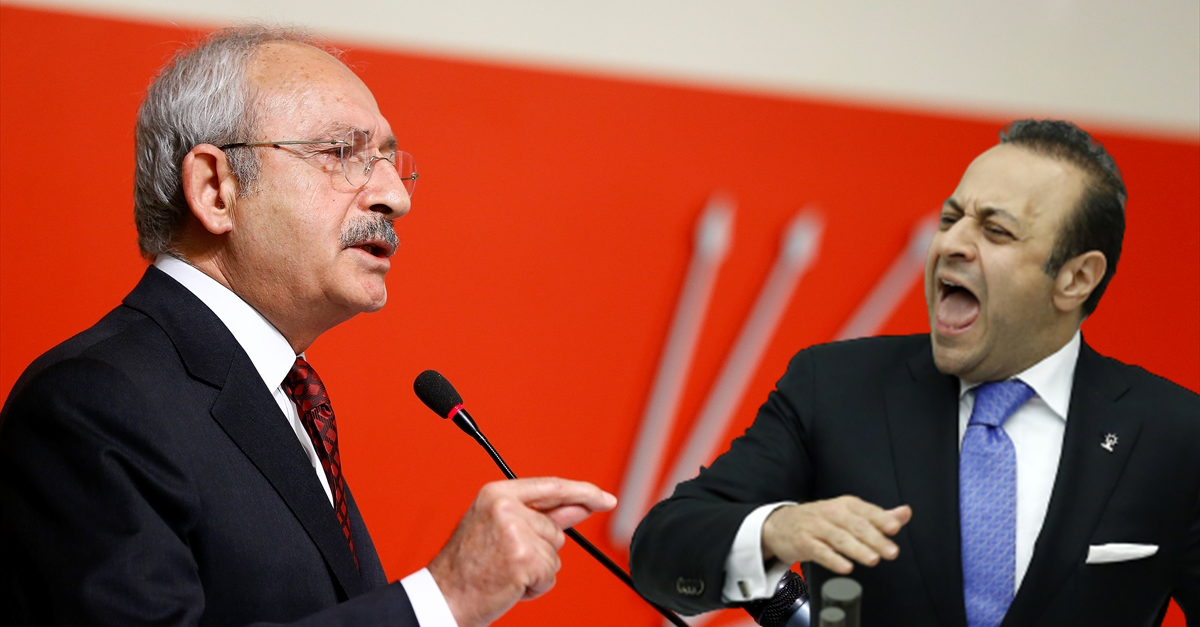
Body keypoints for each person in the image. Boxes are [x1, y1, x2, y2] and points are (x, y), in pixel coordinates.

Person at [0, 26, 616, 627]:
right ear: (216, 189)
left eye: (389, 160)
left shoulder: (284, 396)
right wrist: (443, 599)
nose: (396, 196)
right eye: (341, 154)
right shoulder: (92, 403)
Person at [630, 120, 1199, 626]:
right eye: (951, 219)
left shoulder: (1175, 434)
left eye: (995, 231)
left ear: (1076, 278)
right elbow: (663, 549)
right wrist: (779, 530)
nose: (951, 243)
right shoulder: (835, 387)